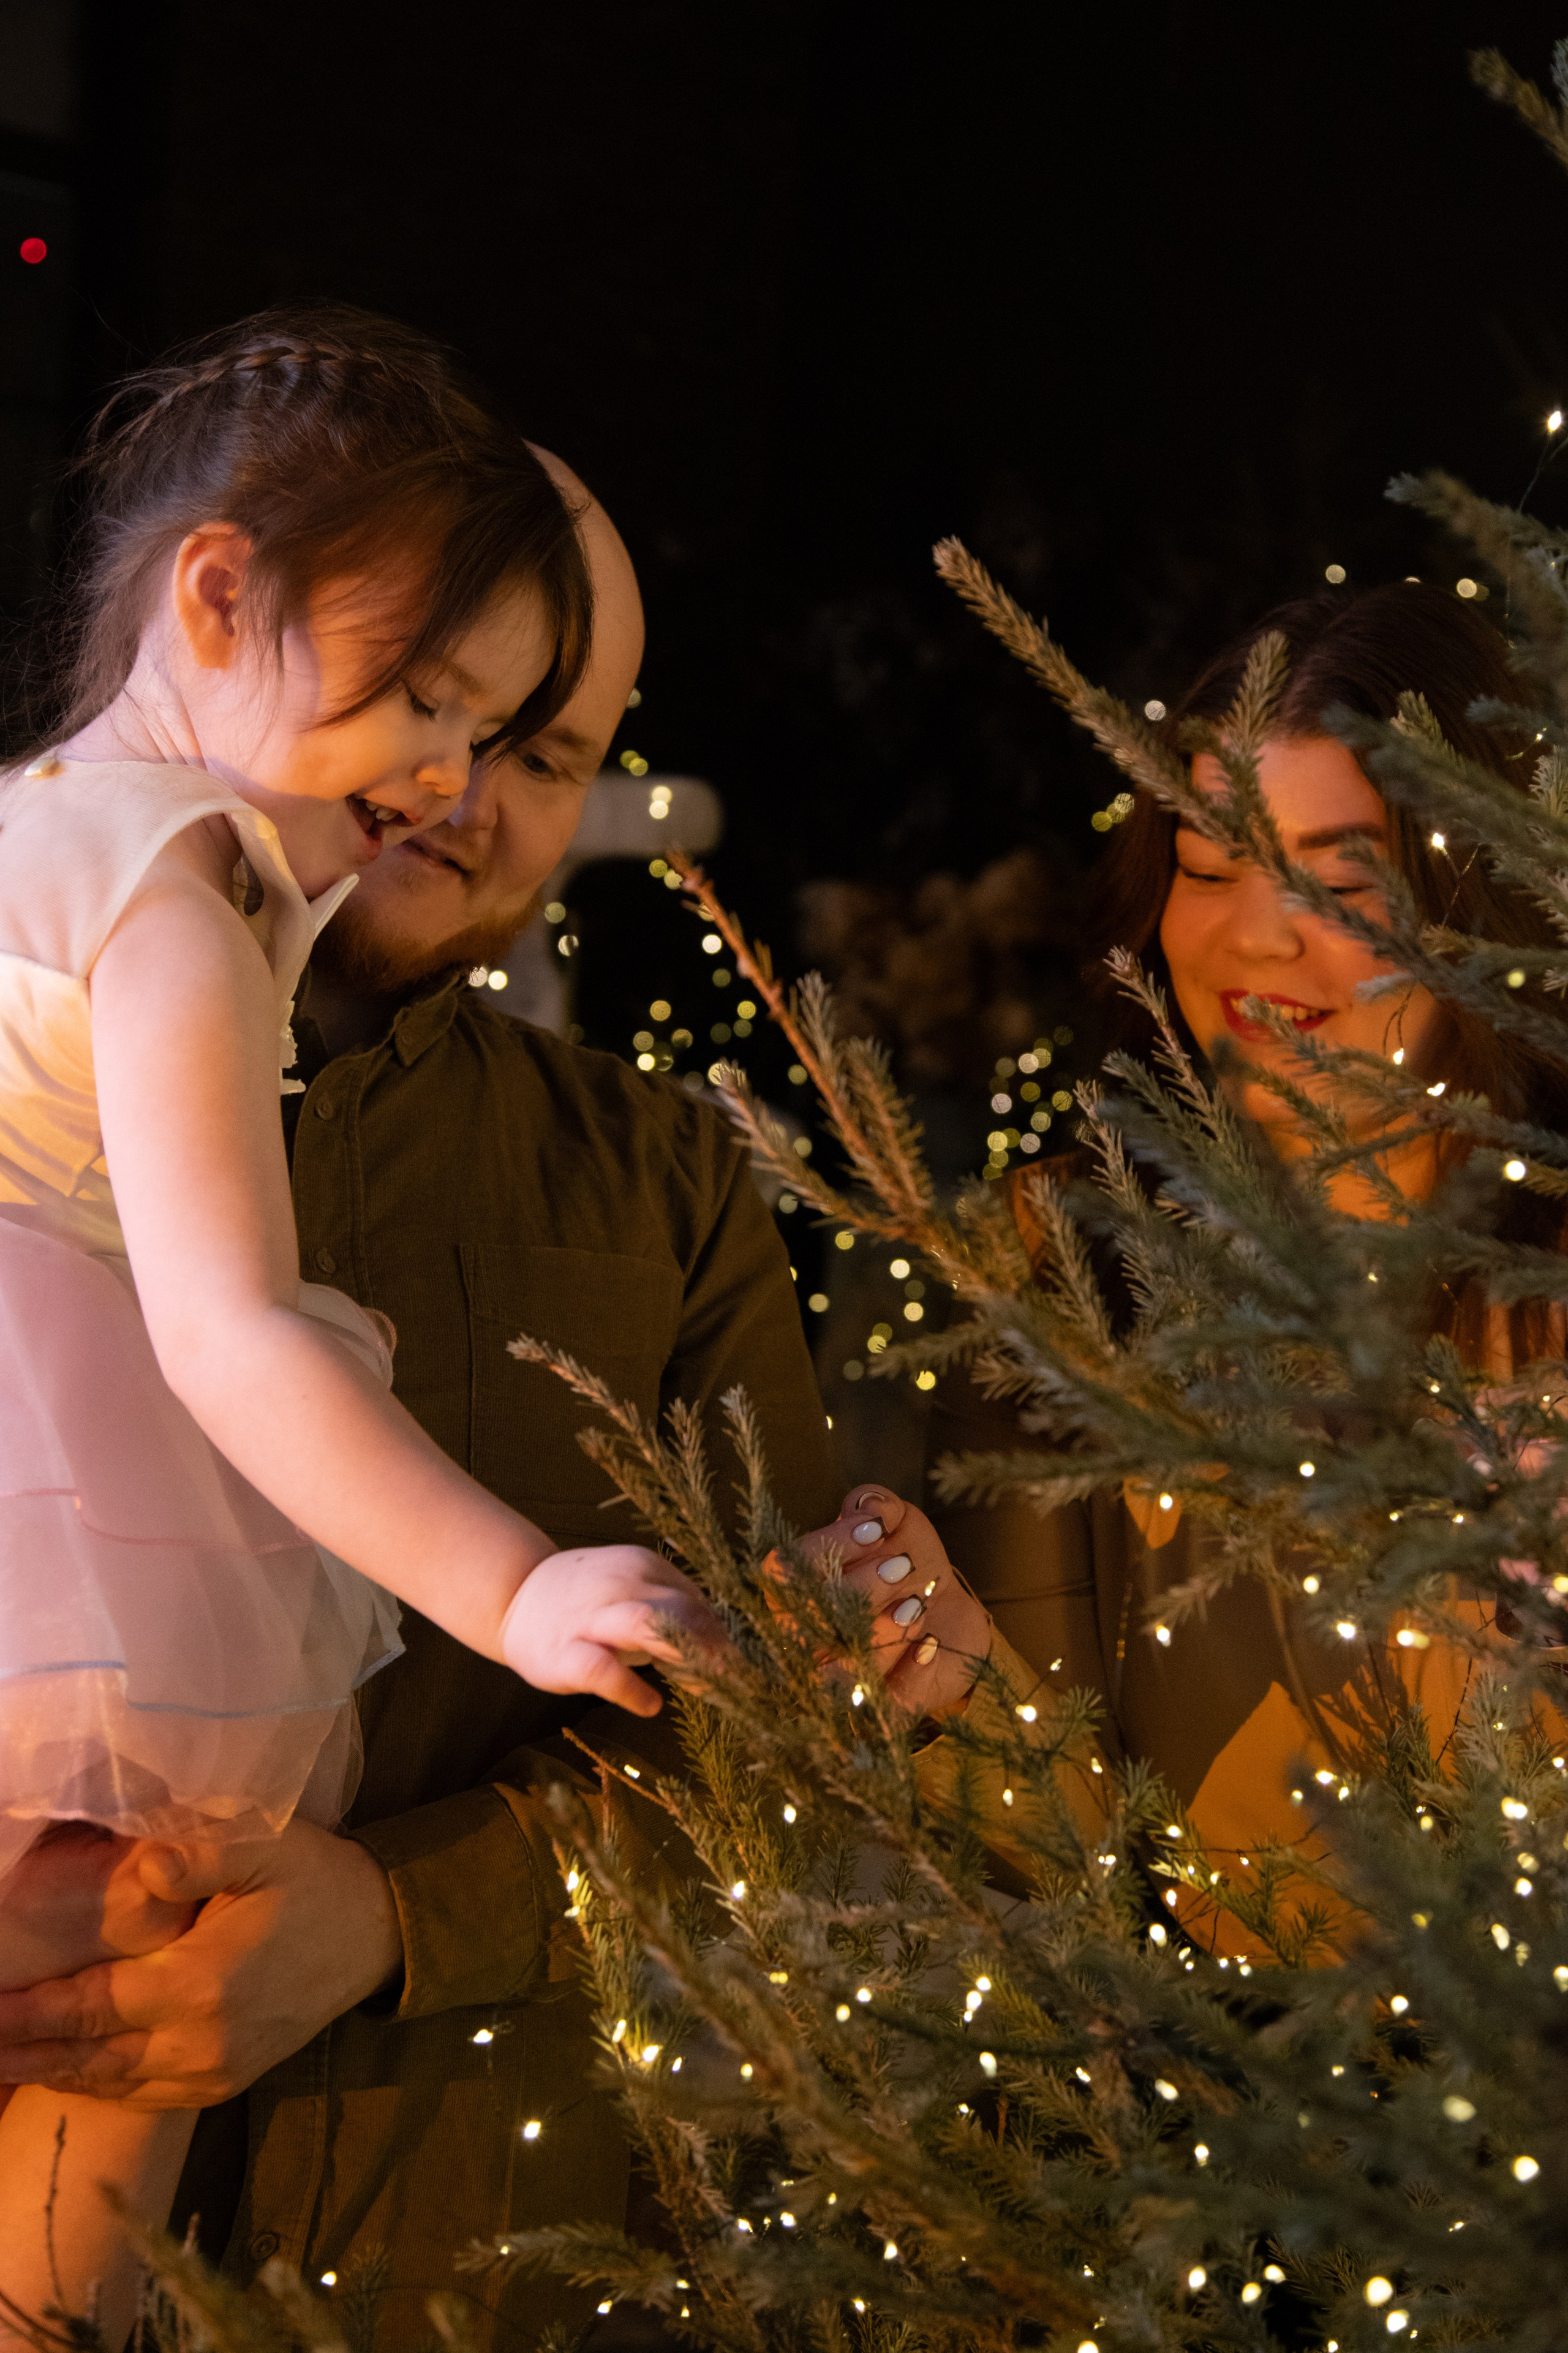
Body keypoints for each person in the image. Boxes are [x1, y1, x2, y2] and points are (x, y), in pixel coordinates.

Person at [0, 306, 729, 2342]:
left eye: (507, 742)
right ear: (218, 592)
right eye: (424, 699)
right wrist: (522, 1590)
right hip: (70, 1595)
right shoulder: (174, 899)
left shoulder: (33, 834)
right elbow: (232, 1333)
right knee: (99, 2108)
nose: (440, 778)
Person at [856, 582, 1568, 1949]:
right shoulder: (1063, 1259)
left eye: (1338, 881)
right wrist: (947, 1683)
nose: (1252, 932)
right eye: (1204, 864)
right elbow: (1064, 1849)